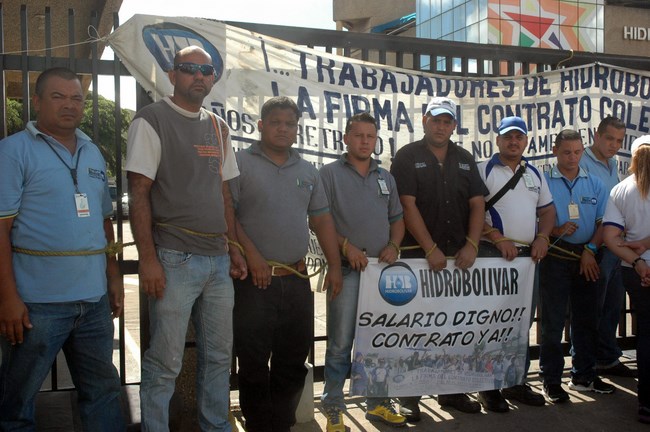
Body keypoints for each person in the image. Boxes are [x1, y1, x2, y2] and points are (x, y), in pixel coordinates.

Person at [126, 46, 247, 431]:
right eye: (189, 69)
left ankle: (216, 426)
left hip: (217, 260)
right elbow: (139, 191)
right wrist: (148, 260)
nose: (199, 76)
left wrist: (235, 249)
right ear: (172, 74)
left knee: (218, 357)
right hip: (174, 258)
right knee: (165, 362)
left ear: (213, 78)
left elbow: (224, 194)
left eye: (206, 70)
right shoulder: (152, 120)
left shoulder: (218, 126)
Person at [0, 67, 125, 430]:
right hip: (37, 305)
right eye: (58, 97)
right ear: (36, 101)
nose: (69, 105)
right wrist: (7, 298)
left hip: (94, 303)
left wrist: (112, 275)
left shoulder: (92, 152)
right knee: (17, 402)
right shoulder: (12, 152)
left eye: (76, 98)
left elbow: (104, 221)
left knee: (103, 392)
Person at [229, 96, 342, 432]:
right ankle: (259, 425)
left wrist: (334, 265)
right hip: (253, 281)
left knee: (292, 362)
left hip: (296, 279)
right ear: (261, 125)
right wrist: (253, 256)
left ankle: (281, 424)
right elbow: (227, 215)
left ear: (296, 130)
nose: (282, 128)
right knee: (252, 362)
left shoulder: (307, 171)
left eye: (289, 123)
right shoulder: (238, 163)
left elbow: (321, 221)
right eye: (275, 122)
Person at [390, 96, 488, 421]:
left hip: (458, 259)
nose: (441, 126)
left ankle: (452, 392)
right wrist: (430, 249)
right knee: (415, 330)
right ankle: (409, 395)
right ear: (424, 120)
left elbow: (477, 203)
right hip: (419, 259)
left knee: (453, 328)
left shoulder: (464, 158)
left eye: (447, 121)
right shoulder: (407, 156)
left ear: (454, 125)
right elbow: (406, 204)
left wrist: (473, 244)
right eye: (436, 119)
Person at [319, 112, 406, 429]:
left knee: (379, 342)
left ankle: (378, 404)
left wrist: (395, 246)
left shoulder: (386, 177)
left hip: (381, 274)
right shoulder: (328, 174)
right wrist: (345, 247)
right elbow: (319, 220)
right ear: (345, 138)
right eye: (358, 135)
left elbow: (397, 219)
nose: (365, 141)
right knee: (340, 345)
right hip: (347, 271)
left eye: (370, 136)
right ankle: (333, 406)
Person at [476, 116, 554, 412]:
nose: (513, 142)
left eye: (519, 137)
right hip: (492, 255)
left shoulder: (533, 172)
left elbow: (547, 212)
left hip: (526, 260)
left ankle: (515, 381)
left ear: (525, 141)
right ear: (497, 140)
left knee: (521, 321)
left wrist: (543, 238)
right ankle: (488, 387)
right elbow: (472, 211)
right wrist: (496, 237)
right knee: (490, 323)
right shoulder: (484, 169)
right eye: (508, 137)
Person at [539, 129, 615, 404]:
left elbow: (603, 224)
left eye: (577, 152)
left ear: (583, 151)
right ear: (555, 151)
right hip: (555, 258)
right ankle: (551, 380)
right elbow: (536, 221)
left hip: (588, 258)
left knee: (586, 319)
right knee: (553, 322)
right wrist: (555, 229)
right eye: (566, 152)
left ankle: (583, 375)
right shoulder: (544, 182)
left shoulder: (595, 184)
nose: (572, 157)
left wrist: (591, 251)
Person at [580, 116, 636, 377]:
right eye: (609, 138)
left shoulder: (612, 164)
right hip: (593, 246)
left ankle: (607, 358)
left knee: (613, 305)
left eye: (619, 140)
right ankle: (586, 364)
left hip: (614, 246)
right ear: (596, 135)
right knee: (592, 307)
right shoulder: (581, 161)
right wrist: (590, 247)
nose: (614, 145)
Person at [602, 134, 650, 424]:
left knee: (645, 333)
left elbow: (610, 237)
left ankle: (646, 404)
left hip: (634, 271)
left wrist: (638, 260)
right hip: (639, 266)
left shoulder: (621, 190)